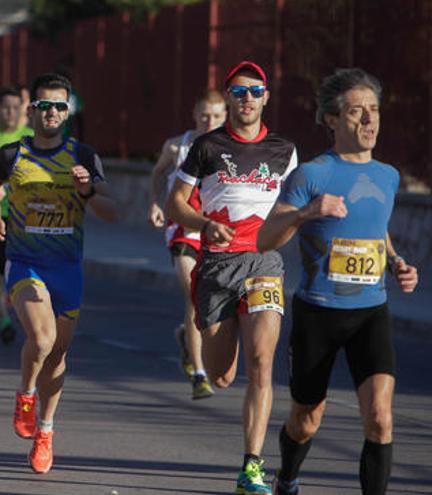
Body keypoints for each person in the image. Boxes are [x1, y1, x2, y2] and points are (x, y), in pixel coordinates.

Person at [257, 68, 419, 495]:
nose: (369, 120)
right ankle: (288, 477)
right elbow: (265, 239)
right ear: (331, 119)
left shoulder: (388, 175)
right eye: (356, 111)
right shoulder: (311, 175)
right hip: (319, 313)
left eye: (374, 110)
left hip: (371, 311)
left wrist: (397, 261)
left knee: (380, 417)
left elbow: (376, 229)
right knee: (306, 419)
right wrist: (306, 213)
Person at [166, 61, 298, 495]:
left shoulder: (285, 151)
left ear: (267, 97)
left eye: (254, 91)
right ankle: (196, 340)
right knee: (222, 375)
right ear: (228, 98)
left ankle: (251, 467)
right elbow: (176, 204)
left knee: (262, 363)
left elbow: (291, 209)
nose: (246, 99)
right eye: (238, 92)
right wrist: (204, 225)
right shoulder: (206, 147)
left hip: (263, 263)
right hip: (217, 266)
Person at [0, 72, 117, 474]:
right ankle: (25, 394)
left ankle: (45, 429)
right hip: (26, 261)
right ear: (32, 111)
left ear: (69, 110)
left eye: (59, 106)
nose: (51, 113)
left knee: (58, 354)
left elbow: (112, 212)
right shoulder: (12, 155)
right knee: (41, 339)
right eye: (44, 106)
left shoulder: (84, 156)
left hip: (68, 267)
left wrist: (87, 192)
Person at [147, 89, 227, 399]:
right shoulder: (177, 146)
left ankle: (186, 336)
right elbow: (157, 173)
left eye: (217, 116)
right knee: (195, 294)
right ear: (195, 115)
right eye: (205, 115)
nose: (210, 122)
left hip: (216, 230)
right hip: (182, 229)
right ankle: (199, 373)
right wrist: (155, 202)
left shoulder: (230, 149)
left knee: (211, 301)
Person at [0, 85, 34, 344]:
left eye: (15, 108)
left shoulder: (30, 138)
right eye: (5, 107)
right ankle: (4, 318)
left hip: (25, 216)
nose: (10, 113)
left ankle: (23, 307)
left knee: (23, 267)